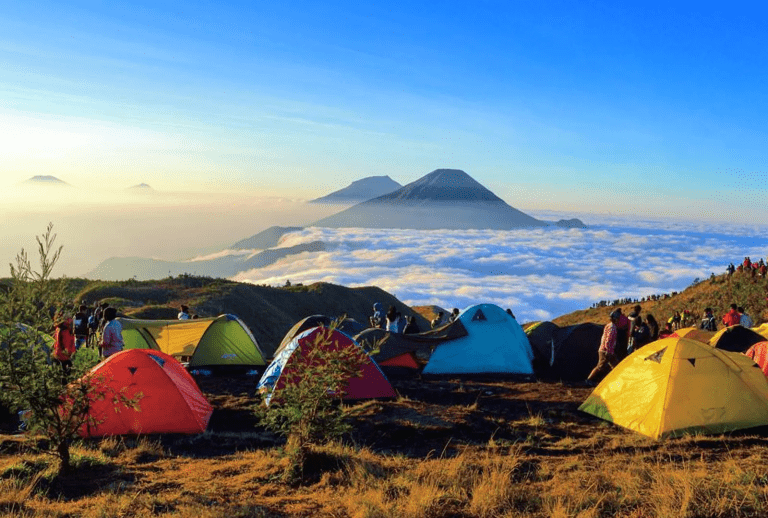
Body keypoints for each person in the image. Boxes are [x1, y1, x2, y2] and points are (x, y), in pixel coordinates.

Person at [587, 311, 620, 385]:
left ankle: (615, 381)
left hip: (605, 350)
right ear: (615, 319)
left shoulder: (608, 325)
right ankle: (589, 380)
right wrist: (608, 351)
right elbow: (608, 340)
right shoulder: (612, 327)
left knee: (615, 365)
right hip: (607, 351)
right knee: (601, 366)